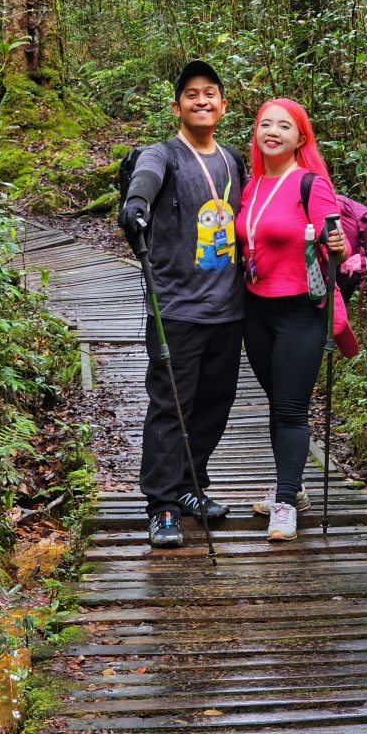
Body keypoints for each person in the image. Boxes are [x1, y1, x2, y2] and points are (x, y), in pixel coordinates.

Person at [117, 61, 247, 549]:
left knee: (215, 403)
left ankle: (192, 487)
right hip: (175, 307)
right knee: (171, 406)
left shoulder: (232, 159)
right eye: (191, 95)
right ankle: (162, 506)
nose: (201, 101)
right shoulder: (164, 154)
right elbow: (145, 178)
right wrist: (136, 203)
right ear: (177, 106)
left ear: (223, 104)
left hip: (228, 308)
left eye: (210, 93)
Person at [235, 98, 353, 541]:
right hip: (256, 310)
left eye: (284, 126)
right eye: (265, 124)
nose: (273, 132)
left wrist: (335, 244)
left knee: (290, 408)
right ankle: (292, 484)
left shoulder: (311, 183)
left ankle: (284, 504)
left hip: (302, 311)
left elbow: (335, 242)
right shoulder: (252, 186)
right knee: (278, 401)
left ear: (300, 138)